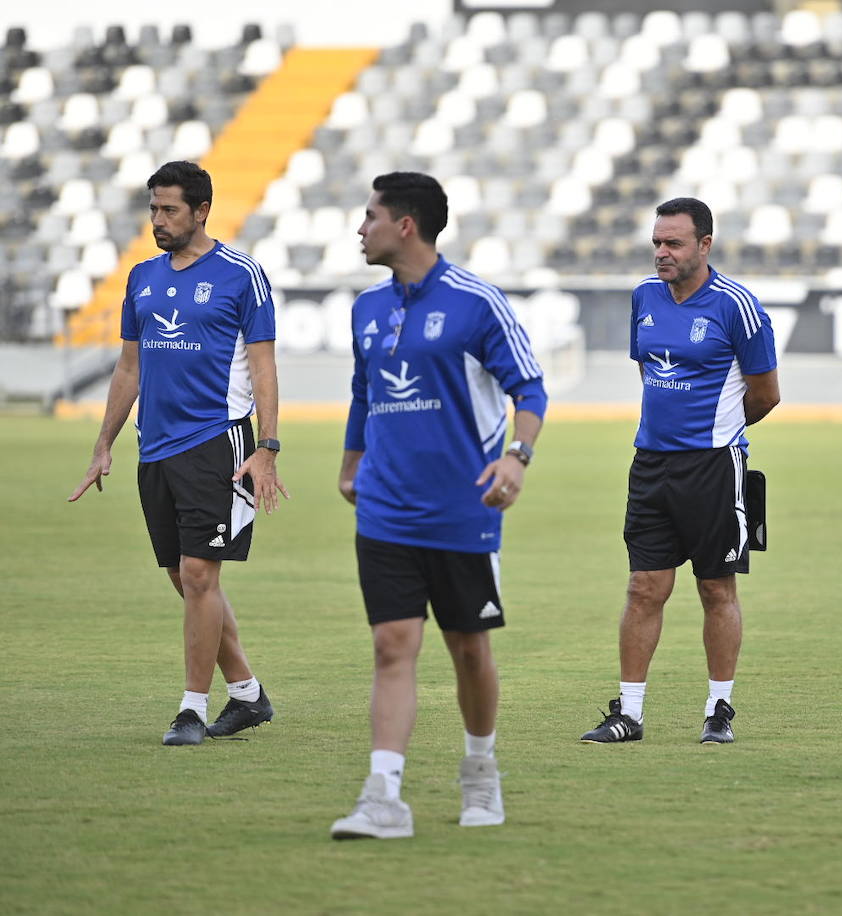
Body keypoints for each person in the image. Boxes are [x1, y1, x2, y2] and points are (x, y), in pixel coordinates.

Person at [329, 172, 547, 840]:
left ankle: (481, 769)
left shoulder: (476, 302)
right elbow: (364, 393)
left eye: (369, 217)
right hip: (386, 509)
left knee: (469, 651)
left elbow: (530, 389)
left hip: (463, 510)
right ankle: (383, 797)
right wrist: (351, 461)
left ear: (405, 225)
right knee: (392, 646)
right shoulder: (366, 309)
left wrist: (516, 457)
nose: (359, 229)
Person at [69, 160, 287, 746]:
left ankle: (192, 709)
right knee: (184, 578)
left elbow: (264, 367)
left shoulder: (243, 275)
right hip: (154, 448)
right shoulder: (140, 277)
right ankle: (247, 694)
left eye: (169, 210)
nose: (158, 221)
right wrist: (102, 446)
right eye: (153, 210)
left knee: (198, 574)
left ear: (201, 211)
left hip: (220, 443)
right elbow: (130, 367)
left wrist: (268, 448)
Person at [580, 197, 779, 746]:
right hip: (650, 464)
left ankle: (719, 710)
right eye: (657, 243)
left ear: (704, 245)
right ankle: (630, 714)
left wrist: (715, 436)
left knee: (716, 590)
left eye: (674, 243)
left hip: (715, 467)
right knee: (645, 587)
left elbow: (766, 394)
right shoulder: (644, 295)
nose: (661, 253)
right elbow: (649, 371)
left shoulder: (737, 305)